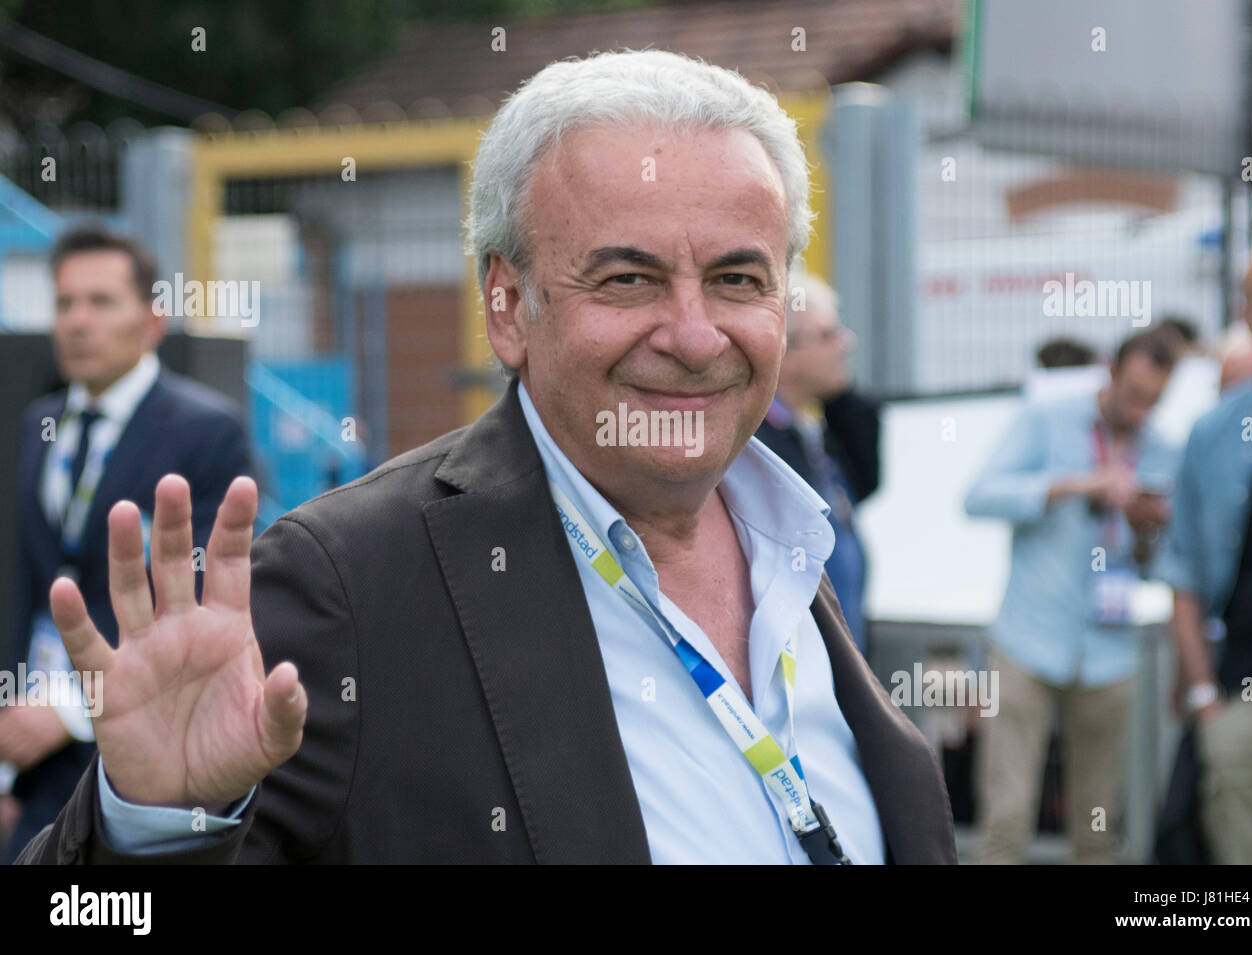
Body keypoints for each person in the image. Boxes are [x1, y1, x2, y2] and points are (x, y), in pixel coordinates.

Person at [14, 50, 955, 865]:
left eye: (737, 278)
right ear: (508, 306)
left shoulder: (793, 540)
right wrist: (154, 826)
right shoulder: (347, 583)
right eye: (627, 278)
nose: (694, 334)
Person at [0, 224, 251, 862]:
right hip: (30, 756)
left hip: (134, 747)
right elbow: (32, 589)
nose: (77, 322)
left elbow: (196, 592)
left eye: (101, 302)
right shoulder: (40, 425)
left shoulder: (206, 431)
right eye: (64, 303)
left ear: (153, 319)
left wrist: (64, 713)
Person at [965, 330, 1180, 864]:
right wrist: (1077, 485)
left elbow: (1162, 565)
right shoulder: (1047, 417)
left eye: (1152, 400)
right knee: (1006, 817)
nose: (1138, 410)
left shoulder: (1164, 450)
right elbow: (979, 497)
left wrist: (1148, 526)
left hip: (1110, 650)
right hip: (1027, 640)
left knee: (1098, 826)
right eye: (1132, 393)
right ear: (1109, 370)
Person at [1159, 237, 1252, 864]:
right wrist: (1203, 702)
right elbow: (1182, 572)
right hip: (1249, 702)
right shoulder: (1216, 433)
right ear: (1249, 313)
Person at [755, 271, 879, 653]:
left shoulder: (810, 428)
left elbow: (867, 481)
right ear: (783, 352)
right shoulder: (757, 446)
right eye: (827, 335)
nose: (847, 343)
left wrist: (841, 396)